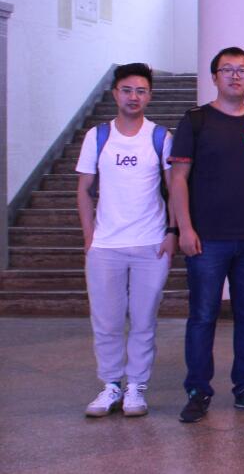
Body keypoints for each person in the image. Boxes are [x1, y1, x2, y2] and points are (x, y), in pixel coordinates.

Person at [170, 46, 244, 423]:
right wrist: (184, 227)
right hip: (207, 238)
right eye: (227, 69)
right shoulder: (196, 120)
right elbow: (178, 179)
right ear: (214, 76)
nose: (235, 76)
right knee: (203, 315)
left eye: (242, 70)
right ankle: (198, 390)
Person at [77, 63, 175, 418]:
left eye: (141, 91)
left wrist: (172, 232)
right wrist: (90, 236)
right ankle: (110, 384)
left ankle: (136, 387)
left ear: (150, 96)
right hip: (106, 246)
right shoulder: (98, 136)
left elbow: (174, 189)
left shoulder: (160, 137)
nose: (134, 97)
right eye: (127, 90)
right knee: (106, 320)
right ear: (115, 93)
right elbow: (84, 189)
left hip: (151, 244)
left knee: (144, 320)